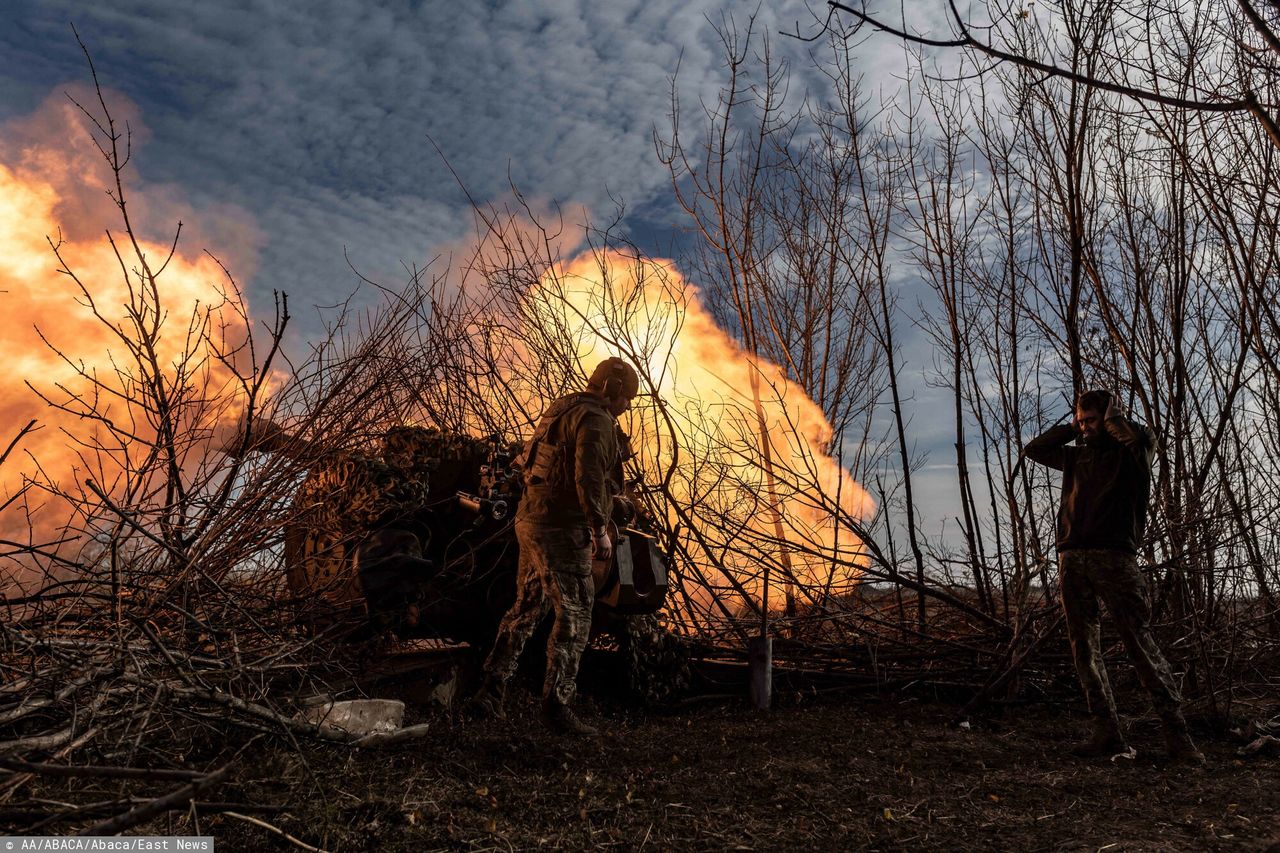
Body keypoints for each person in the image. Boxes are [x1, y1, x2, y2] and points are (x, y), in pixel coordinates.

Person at [1023, 389, 1204, 763]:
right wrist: (1072, 428)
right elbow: (1034, 450)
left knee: (1139, 644)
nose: (1087, 427)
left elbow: (1136, 438)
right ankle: (1107, 733)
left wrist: (1111, 420)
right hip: (1072, 558)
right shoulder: (1075, 456)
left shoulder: (1133, 452)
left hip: (1116, 558)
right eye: (1082, 421)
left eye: (1092, 420)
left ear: (1109, 417)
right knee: (1084, 648)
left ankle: (1178, 736)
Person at [468, 357, 639, 735]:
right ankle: (558, 707)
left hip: (531, 521)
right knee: (576, 615)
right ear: (612, 391)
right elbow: (588, 476)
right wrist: (599, 529)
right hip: (562, 529)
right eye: (626, 398)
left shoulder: (563, 407)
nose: (626, 406)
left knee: (526, 607)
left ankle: (490, 690)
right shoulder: (594, 420)